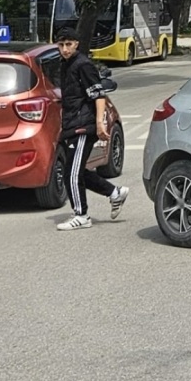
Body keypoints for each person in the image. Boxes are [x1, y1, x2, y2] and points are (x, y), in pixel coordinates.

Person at [54, 27, 128, 231]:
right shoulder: (65, 64)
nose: (65, 49)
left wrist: (99, 123)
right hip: (71, 124)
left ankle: (81, 215)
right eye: (61, 45)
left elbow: (98, 95)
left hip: (83, 126)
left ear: (76, 44)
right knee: (76, 171)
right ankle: (115, 193)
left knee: (72, 173)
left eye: (69, 44)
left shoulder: (83, 65)